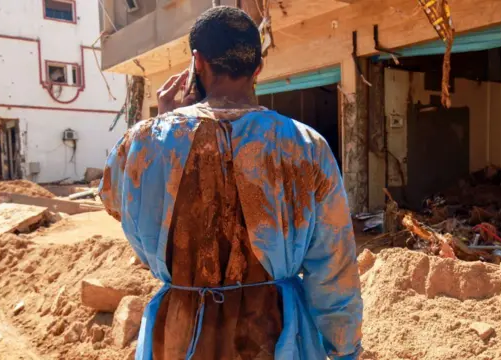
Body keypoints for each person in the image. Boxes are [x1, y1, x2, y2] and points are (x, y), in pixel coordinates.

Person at [99, 6, 362, 360]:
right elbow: (333, 264)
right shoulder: (304, 145)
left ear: (197, 63)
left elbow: (122, 208)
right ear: (259, 67)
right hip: (274, 334)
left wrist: (164, 127)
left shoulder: (142, 143)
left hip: (181, 334)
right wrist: (343, 348)